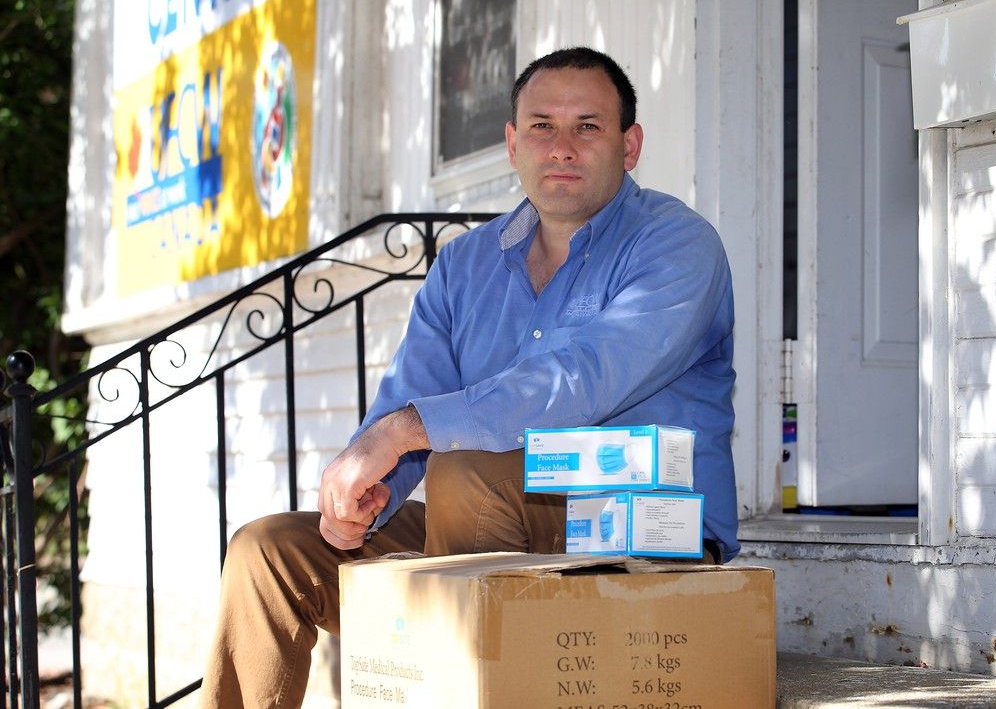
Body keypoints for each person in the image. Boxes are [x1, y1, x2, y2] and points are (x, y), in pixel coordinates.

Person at [200, 47, 737, 708]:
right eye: (541, 125)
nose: (561, 146)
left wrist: (408, 431)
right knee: (268, 554)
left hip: (651, 517)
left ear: (630, 145)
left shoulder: (677, 245)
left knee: (466, 465)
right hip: (486, 515)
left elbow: (587, 376)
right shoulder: (465, 267)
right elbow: (407, 399)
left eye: (588, 126)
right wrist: (370, 494)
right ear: (513, 143)